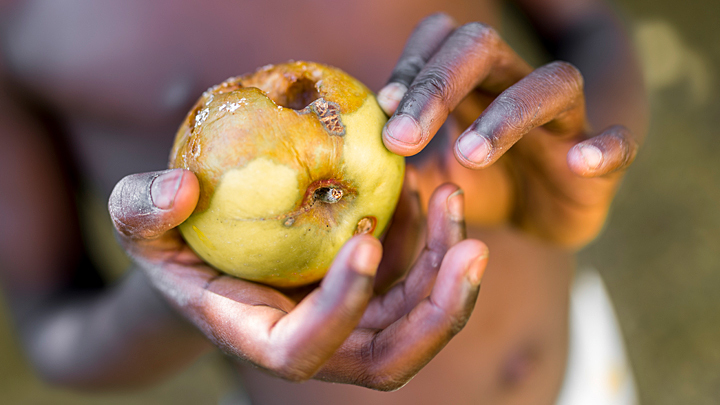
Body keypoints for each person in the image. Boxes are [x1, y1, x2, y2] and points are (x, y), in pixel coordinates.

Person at [0, 0, 647, 403]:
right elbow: (52, 323)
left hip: (574, 381)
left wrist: (581, 170)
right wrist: (174, 304)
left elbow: (589, 27)